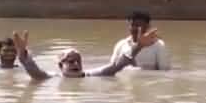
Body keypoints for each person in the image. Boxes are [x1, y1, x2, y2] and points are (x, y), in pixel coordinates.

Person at [13, 28, 158, 80]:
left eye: (78, 61)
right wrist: (23, 54)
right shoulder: (53, 78)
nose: (76, 64)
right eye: (70, 61)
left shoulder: (92, 75)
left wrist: (138, 46)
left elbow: (116, 66)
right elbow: (36, 74)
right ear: (60, 65)